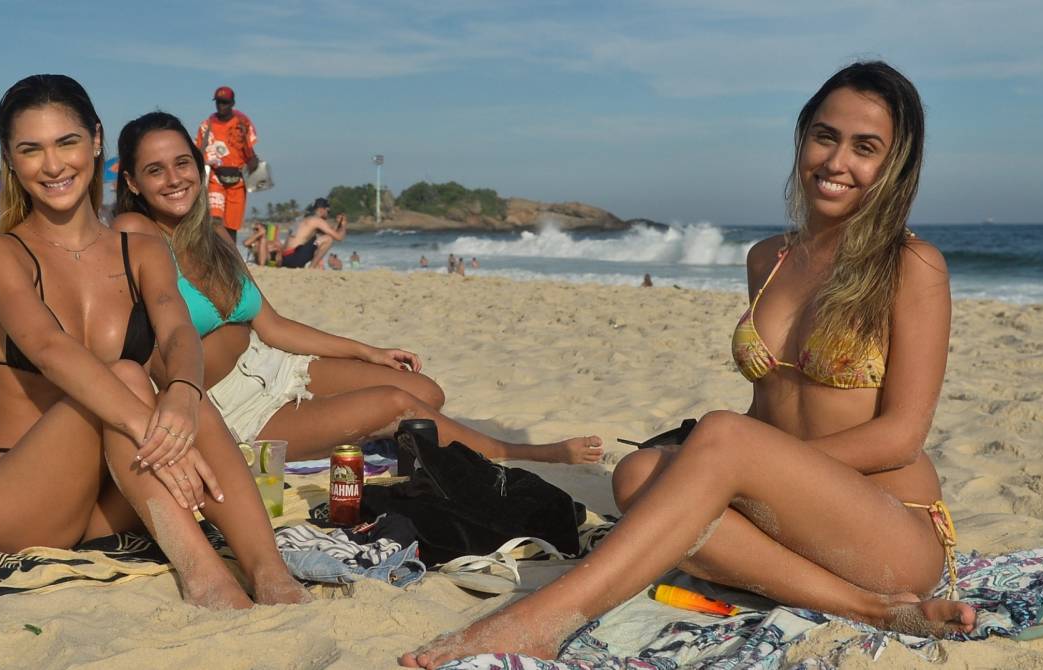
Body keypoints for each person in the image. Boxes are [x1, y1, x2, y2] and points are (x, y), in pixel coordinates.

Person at [400, 61, 976, 668]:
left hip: (889, 529)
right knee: (639, 475)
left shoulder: (912, 265)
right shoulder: (767, 259)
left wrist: (742, 464)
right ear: (803, 137)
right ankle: (871, 609)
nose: (837, 162)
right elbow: (775, 407)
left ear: (895, 165)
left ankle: (544, 618)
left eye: (865, 148)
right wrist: (735, 467)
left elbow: (902, 435)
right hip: (795, 515)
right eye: (825, 136)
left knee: (721, 437)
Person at [0, 75, 307, 611]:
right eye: (31, 150)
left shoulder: (140, 249)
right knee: (126, 377)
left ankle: (270, 573)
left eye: (67, 143)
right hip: (16, 501)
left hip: (114, 495)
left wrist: (185, 397)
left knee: (179, 392)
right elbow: (49, 348)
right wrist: (155, 427)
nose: (53, 166)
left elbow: (176, 333)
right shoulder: (0, 253)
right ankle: (205, 578)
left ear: (96, 141)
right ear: (9, 158)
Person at [112, 111, 603, 465]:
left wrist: (367, 352)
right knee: (396, 406)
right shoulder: (133, 235)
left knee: (425, 391)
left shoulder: (216, 238)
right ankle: (512, 452)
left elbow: (274, 325)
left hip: (274, 367)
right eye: (155, 170)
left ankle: (344, 433)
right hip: (229, 406)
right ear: (131, 181)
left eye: (181, 163)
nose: (174, 179)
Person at [196, 86, 258, 242]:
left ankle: (230, 258)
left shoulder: (242, 123)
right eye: (218, 102)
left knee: (232, 225)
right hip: (216, 180)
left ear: (232, 103)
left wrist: (253, 162)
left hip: (238, 180)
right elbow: (199, 151)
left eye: (225, 102)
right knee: (215, 221)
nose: (221, 106)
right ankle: (214, 256)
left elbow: (249, 149)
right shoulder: (206, 125)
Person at [281, 199, 346, 269]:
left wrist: (338, 224)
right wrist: (344, 223)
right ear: (321, 209)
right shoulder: (317, 221)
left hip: (285, 259)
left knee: (316, 239)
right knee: (328, 239)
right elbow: (339, 237)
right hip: (295, 257)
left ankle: (315, 266)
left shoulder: (303, 219)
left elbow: (331, 233)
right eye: (328, 211)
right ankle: (312, 268)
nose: (328, 213)